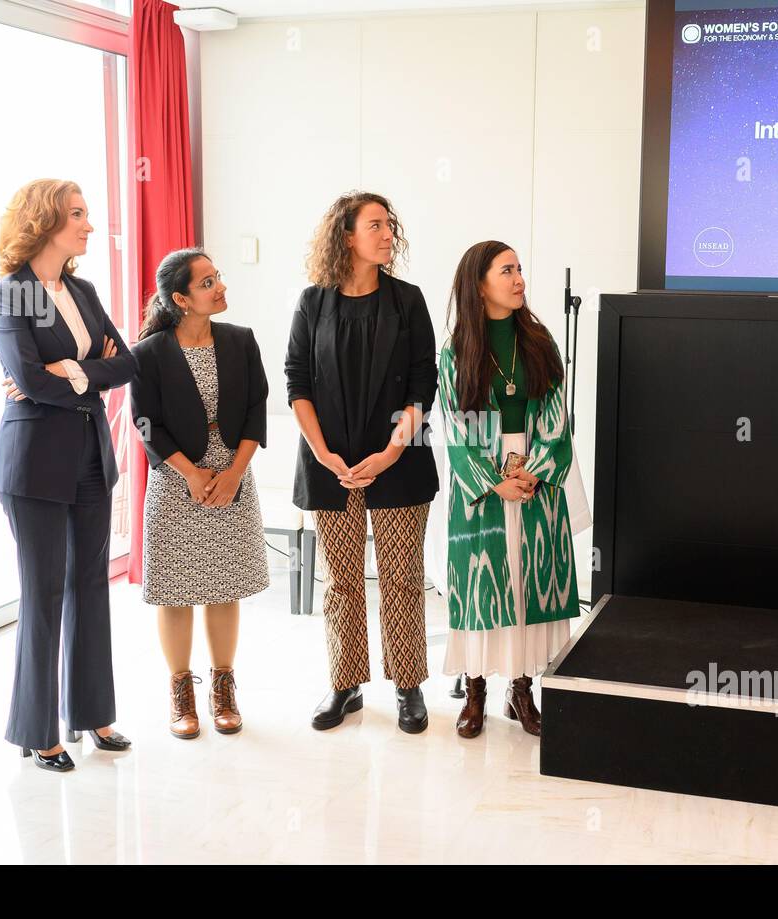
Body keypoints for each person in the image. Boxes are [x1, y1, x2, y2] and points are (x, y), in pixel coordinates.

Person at [0, 179, 138, 771]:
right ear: (45, 222)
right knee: (44, 591)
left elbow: (125, 362)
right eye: (77, 215)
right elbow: (28, 381)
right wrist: (86, 370)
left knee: (89, 586)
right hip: (32, 464)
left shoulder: (82, 288)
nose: (88, 225)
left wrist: (73, 371)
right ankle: (36, 729)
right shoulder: (13, 294)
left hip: (88, 456)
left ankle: (93, 713)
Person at [284, 191, 438, 733]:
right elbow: (296, 381)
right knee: (341, 579)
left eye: (389, 225)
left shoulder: (408, 300)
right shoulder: (313, 302)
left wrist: (392, 450)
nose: (387, 233)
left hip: (400, 459)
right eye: (375, 225)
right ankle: (344, 684)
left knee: (401, 577)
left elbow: (424, 384)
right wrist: (324, 454)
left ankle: (408, 685)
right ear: (346, 235)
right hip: (331, 463)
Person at [437, 242, 579, 737]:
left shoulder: (540, 342)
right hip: (483, 485)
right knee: (484, 587)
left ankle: (522, 692)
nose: (519, 278)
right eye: (507, 270)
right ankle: (474, 691)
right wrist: (494, 481)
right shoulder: (456, 352)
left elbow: (559, 419)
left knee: (528, 585)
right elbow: (456, 428)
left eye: (519, 269)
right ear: (480, 284)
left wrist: (535, 469)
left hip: (535, 477)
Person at [130, 249, 270, 738]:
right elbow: (146, 423)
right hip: (176, 484)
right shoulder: (147, 354)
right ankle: (181, 692)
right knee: (176, 593)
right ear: (181, 299)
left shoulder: (240, 340)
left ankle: (224, 687)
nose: (220, 287)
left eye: (218, 276)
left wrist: (233, 472)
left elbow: (257, 408)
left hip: (232, 478)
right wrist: (191, 473)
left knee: (224, 586)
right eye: (208, 282)